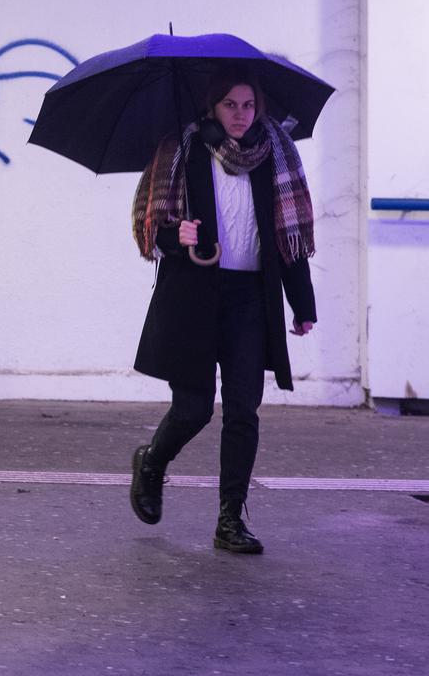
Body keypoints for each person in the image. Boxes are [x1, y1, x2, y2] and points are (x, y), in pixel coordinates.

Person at [127, 71, 317, 555]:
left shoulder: (274, 154)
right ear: (213, 106)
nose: (240, 114)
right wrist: (177, 235)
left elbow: (288, 237)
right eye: (230, 104)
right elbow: (151, 227)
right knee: (194, 408)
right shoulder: (182, 148)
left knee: (243, 411)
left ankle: (230, 519)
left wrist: (302, 304)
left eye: (248, 105)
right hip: (194, 295)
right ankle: (152, 461)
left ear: (259, 108)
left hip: (249, 297)